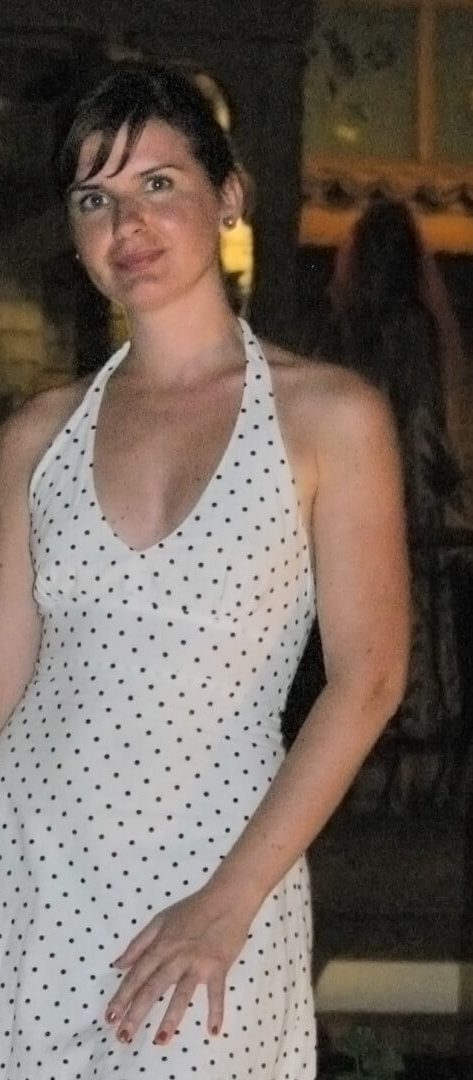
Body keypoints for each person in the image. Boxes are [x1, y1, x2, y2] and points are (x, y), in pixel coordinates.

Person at [0, 62, 410, 1079]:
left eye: (157, 183)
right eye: (94, 198)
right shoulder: (36, 435)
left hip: (216, 876)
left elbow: (370, 678)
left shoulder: (329, 416)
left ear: (228, 196)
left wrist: (226, 904)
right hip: (23, 880)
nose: (125, 222)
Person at [325, 198, 464, 810]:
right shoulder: (410, 330)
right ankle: (409, 769)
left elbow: (413, 427)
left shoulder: (382, 334)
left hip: (385, 511)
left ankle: (396, 771)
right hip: (405, 508)